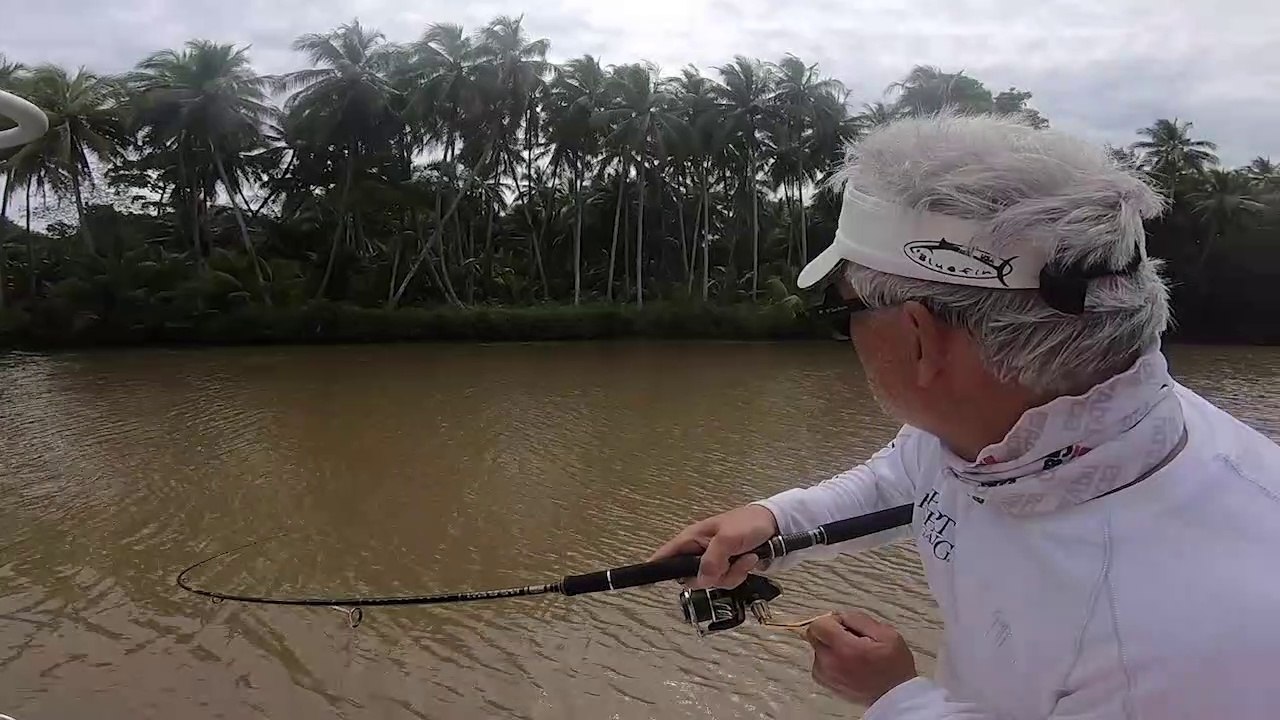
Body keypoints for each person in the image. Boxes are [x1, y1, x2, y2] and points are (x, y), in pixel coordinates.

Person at [650, 113, 1280, 719]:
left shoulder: (1194, 639)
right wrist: (775, 521)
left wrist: (897, 699)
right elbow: (909, 476)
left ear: (919, 337)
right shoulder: (1006, 426)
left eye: (844, 313)